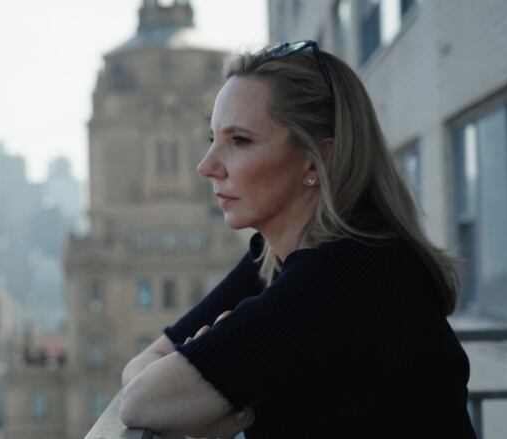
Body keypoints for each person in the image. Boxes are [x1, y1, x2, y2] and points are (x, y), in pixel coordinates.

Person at [118, 41, 476, 438]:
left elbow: (140, 401)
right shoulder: (273, 255)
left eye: (240, 141)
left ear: (315, 159)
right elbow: (144, 367)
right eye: (212, 139)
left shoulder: (347, 272)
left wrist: (236, 411)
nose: (207, 167)